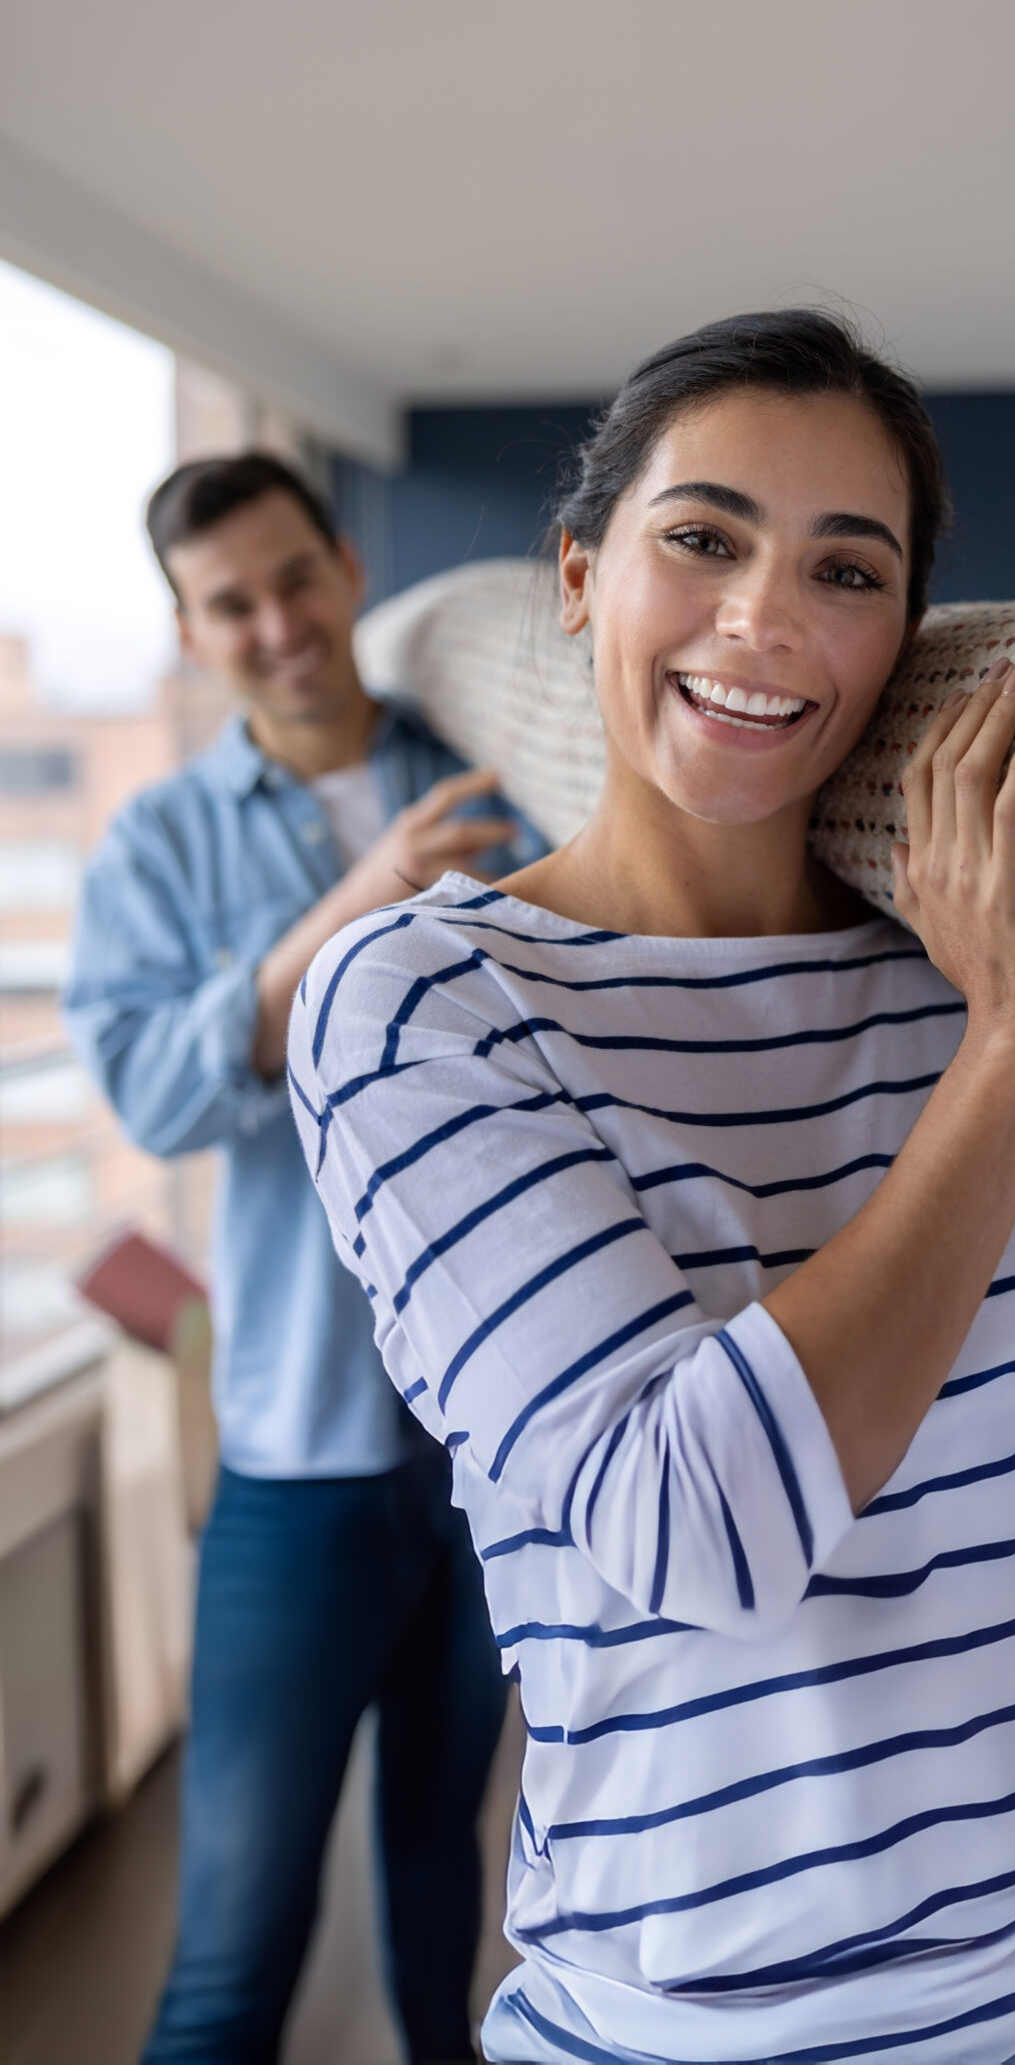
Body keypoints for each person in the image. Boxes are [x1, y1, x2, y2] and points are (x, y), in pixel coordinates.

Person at [287, 313, 1015, 2065]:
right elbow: (701, 1530)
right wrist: (1007, 1051)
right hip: (712, 2034)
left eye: (848, 568)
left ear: (900, 636)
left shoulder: (983, 967)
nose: (765, 618)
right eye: (704, 538)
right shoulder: (422, 1004)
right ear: (581, 578)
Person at [66, 451, 546, 2065]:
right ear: (190, 631)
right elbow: (149, 1090)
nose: (275, 625)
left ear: (345, 568)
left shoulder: (501, 769)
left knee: (441, 1897)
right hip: (300, 1457)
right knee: (235, 1953)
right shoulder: (159, 846)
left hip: (490, 1450)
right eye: (230, 604)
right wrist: (353, 904)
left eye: (293, 580)